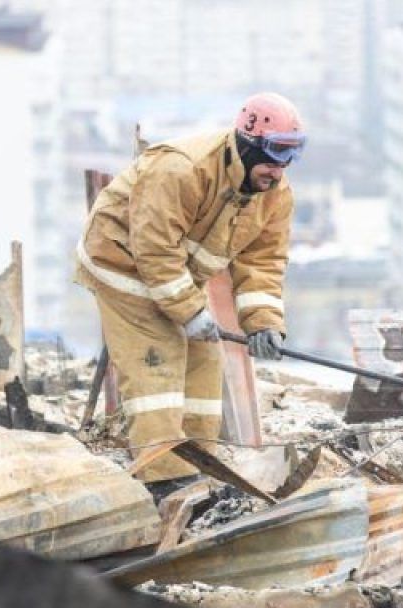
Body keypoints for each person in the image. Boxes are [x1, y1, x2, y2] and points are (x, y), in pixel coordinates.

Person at [75, 91, 305, 488]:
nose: (280, 169)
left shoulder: (274, 195)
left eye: (291, 155)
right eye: (275, 154)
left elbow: (262, 263)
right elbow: (154, 249)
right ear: (248, 145)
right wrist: (190, 312)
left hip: (177, 275)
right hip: (124, 268)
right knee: (157, 376)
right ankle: (163, 485)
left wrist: (263, 323)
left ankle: (199, 472)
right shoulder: (181, 170)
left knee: (203, 368)